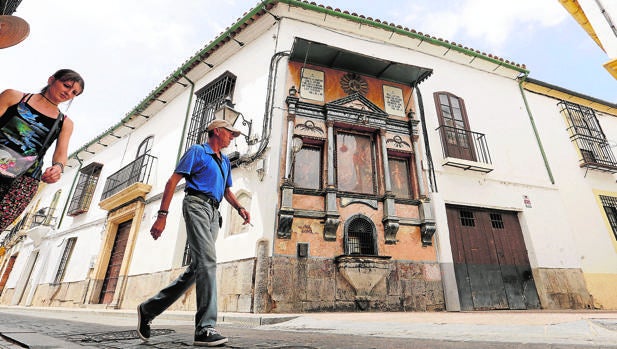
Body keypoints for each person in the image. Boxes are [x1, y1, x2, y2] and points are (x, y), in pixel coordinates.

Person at [137, 119, 251, 347]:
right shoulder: (198, 151)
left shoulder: (225, 161)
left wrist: (240, 207)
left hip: (214, 213)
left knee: (197, 268)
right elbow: (172, 181)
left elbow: (226, 190)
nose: (232, 137)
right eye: (230, 133)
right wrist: (162, 215)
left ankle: (148, 309)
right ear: (217, 131)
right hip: (196, 204)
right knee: (208, 261)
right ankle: (205, 328)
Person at [0, 69, 84, 231]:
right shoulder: (14, 96)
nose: (69, 93)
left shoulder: (65, 122)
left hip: (24, 180)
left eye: (74, 93)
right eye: (66, 86)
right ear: (51, 80)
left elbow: (61, 153)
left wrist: (58, 168)